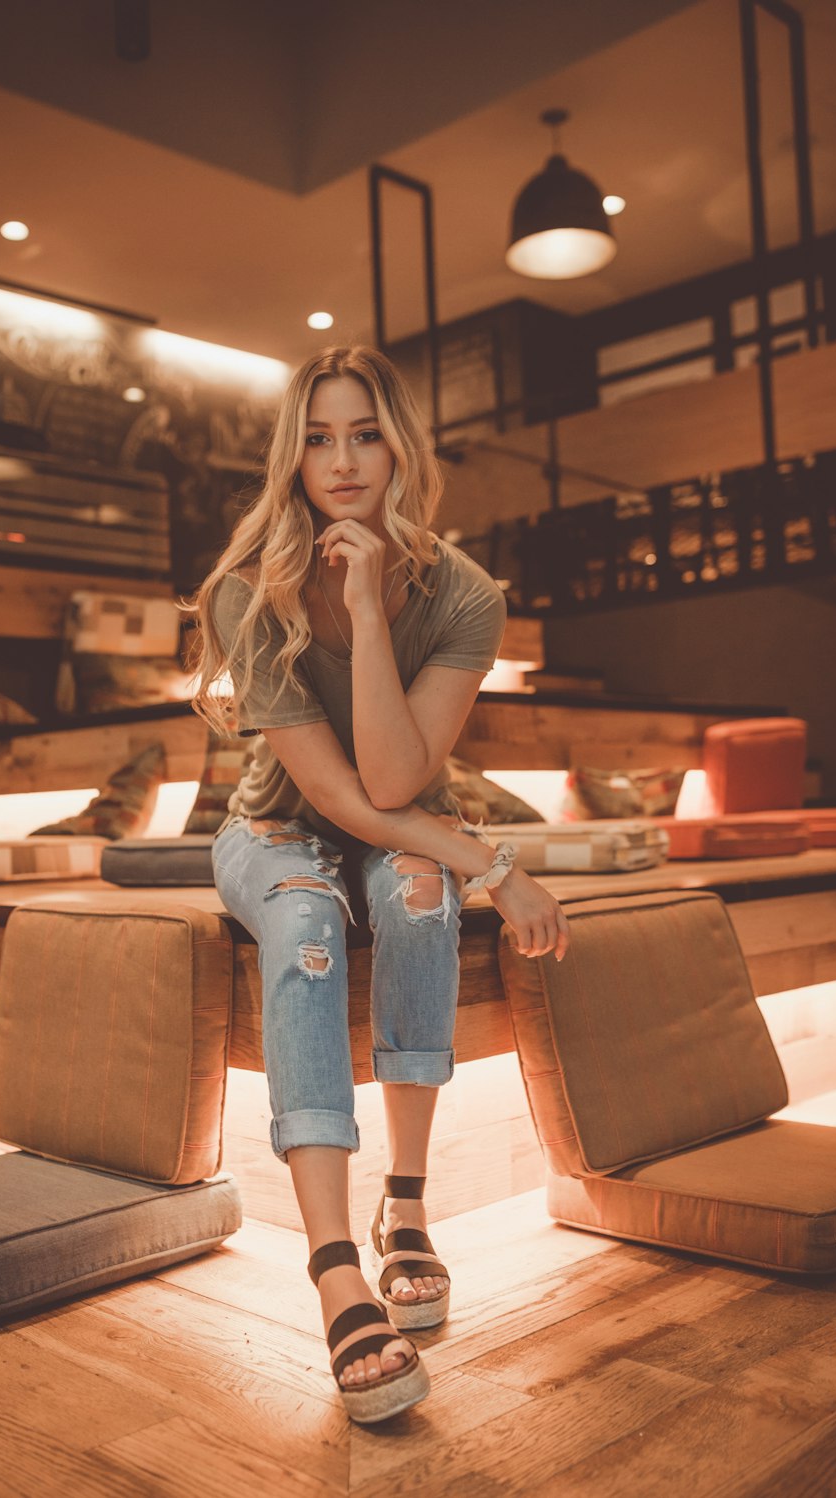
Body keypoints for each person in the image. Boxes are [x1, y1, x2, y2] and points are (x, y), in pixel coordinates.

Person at [188, 345, 569, 1424]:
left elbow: (400, 779)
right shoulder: (244, 594)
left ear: (400, 443)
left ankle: (408, 1201)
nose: (342, 460)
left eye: (364, 433)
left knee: (412, 896)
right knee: (310, 918)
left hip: (396, 817)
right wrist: (495, 864)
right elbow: (343, 801)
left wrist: (362, 602)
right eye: (318, 436)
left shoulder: (463, 594)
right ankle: (336, 1269)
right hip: (272, 828)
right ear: (292, 454)